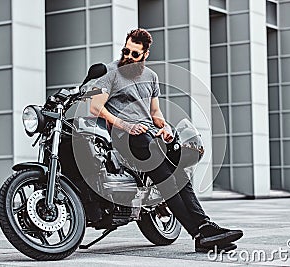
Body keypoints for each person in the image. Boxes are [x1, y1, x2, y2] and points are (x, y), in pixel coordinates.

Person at [90, 28, 243, 253]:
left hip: (150, 135)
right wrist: (126, 125)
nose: (128, 57)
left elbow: (155, 112)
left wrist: (166, 128)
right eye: (126, 51)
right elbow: (96, 107)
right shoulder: (110, 72)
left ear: (145, 55)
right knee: (167, 178)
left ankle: (205, 228)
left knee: (180, 175)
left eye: (134, 54)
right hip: (126, 138)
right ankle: (201, 232)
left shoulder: (151, 77)